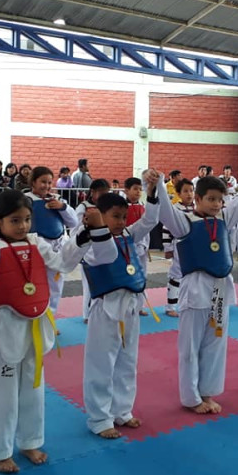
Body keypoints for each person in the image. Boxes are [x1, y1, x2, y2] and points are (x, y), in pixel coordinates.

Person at [0, 189, 111, 473]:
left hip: (34, 324)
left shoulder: (37, 243)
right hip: (2, 324)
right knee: (1, 391)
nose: (23, 226)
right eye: (15, 220)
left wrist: (84, 235)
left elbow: (63, 262)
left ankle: (30, 441)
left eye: (27, 219)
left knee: (34, 387)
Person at [159, 168, 238, 414]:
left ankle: (207, 392)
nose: (216, 204)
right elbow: (165, 211)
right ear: (197, 199)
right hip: (195, 290)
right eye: (211, 199)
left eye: (220, 199)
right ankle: (191, 398)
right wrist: (157, 185)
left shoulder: (225, 218)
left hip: (220, 289)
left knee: (216, 343)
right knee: (190, 347)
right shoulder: (184, 222)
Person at [81, 171, 163, 438]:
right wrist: (96, 229)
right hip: (106, 308)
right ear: (100, 215)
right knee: (101, 364)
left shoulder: (128, 234)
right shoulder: (90, 242)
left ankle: (122, 411)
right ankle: (99, 418)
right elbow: (100, 258)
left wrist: (152, 192)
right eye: (115, 216)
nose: (121, 222)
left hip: (130, 306)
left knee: (127, 362)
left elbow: (150, 220)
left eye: (123, 217)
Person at [25, 166, 79, 316]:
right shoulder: (25, 200)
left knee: (55, 286)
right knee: (35, 283)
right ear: (33, 182)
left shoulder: (58, 199)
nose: (47, 186)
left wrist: (62, 208)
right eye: (43, 182)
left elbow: (73, 222)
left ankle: (50, 318)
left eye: (50, 182)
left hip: (57, 246)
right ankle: (35, 316)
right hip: (35, 245)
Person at [75, 179, 111, 323]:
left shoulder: (107, 207)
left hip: (103, 248)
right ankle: (87, 315)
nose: (104, 196)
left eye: (106, 193)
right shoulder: (83, 207)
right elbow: (75, 230)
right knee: (89, 285)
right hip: (87, 250)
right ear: (93, 192)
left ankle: (102, 311)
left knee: (104, 284)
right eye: (102, 193)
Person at [162, 178, 195, 317]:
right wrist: (168, 248)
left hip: (195, 245)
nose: (189, 194)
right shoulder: (175, 209)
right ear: (179, 193)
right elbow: (166, 228)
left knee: (193, 276)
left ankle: (188, 303)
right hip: (180, 244)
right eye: (185, 191)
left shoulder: (197, 209)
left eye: (191, 190)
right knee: (177, 274)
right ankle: (170, 306)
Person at [124, 177, 149, 314]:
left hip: (142, 245)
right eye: (135, 189)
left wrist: (147, 245)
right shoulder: (122, 207)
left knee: (142, 275)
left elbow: (147, 229)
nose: (138, 192)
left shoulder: (143, 206)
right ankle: (128, 306)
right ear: (126, 190)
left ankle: (140, 306)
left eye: (140, 189)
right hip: (128, 245)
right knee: (129, 275)